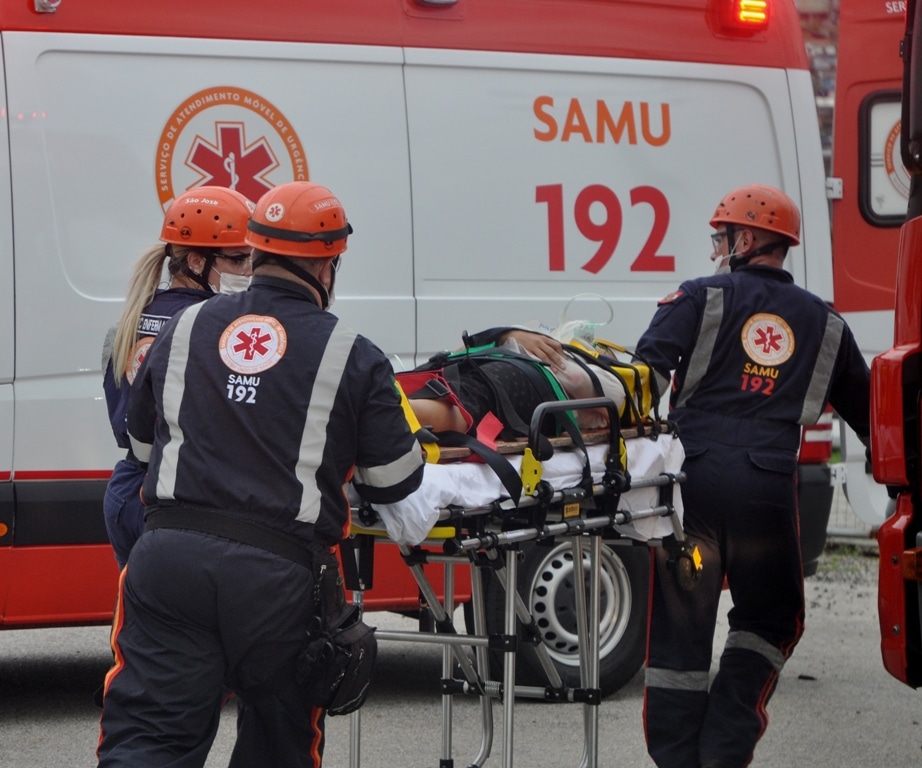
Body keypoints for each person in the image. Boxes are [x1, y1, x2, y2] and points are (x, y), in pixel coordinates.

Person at [96, 181, 425, 767]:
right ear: (329, 264)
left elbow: (142, 449)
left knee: (148, 740)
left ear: (255, 250)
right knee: (278, 746)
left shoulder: (187, 327)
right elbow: (396, 485)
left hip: (169, 560)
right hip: (280, 580)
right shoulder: (354, 352)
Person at [635, 184, 871, 768]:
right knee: (771, 619)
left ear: (744, 240)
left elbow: (642, 377)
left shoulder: (698, 297)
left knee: (680, 634)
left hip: (694, 490)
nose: (717, 249)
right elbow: (875, 417)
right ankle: (725, 744)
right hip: (767, 493)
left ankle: (676, 759)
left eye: (721, 237)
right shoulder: (829, 325)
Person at [101, 185, 255, 569]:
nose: (250, 272)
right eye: (238, 260)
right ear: (198, 262)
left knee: (139, 623)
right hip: (179, 502)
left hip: (126, 491)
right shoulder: (214, 327)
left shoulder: (131, 318)